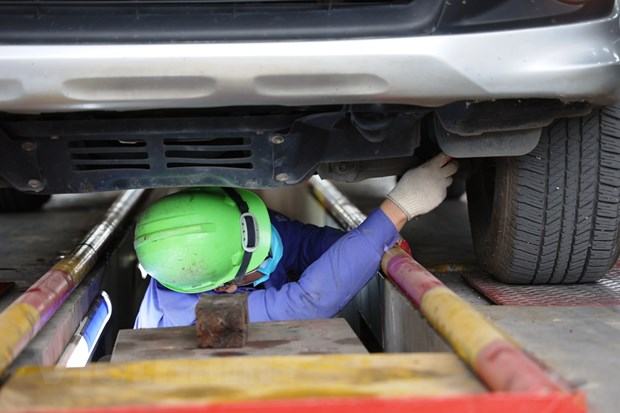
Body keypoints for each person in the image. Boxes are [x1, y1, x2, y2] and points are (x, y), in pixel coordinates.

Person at [133, 153, 458, 328]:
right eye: (263, 258)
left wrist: (376, 236)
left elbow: (303, 243)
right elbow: (305, 304)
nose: (274, 246)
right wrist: (397, 209)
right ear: (225, 288)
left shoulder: (233, 233)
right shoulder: (192, 316)